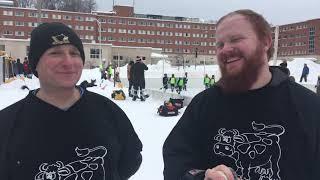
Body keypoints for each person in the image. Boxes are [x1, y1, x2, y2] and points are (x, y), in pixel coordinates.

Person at [163, 9, 320, 180]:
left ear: (265, 42)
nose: (225, 50)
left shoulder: (309, 107)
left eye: (236, 39)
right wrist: (200, 177)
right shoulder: (204, 104)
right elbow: (175, 162)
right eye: (219, 45)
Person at [0, 22, 143, 180]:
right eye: (55, 53)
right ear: (35, 64)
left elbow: (131, 159)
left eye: (74, 53)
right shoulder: (7, 123)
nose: (68, 62)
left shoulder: (107, 110)